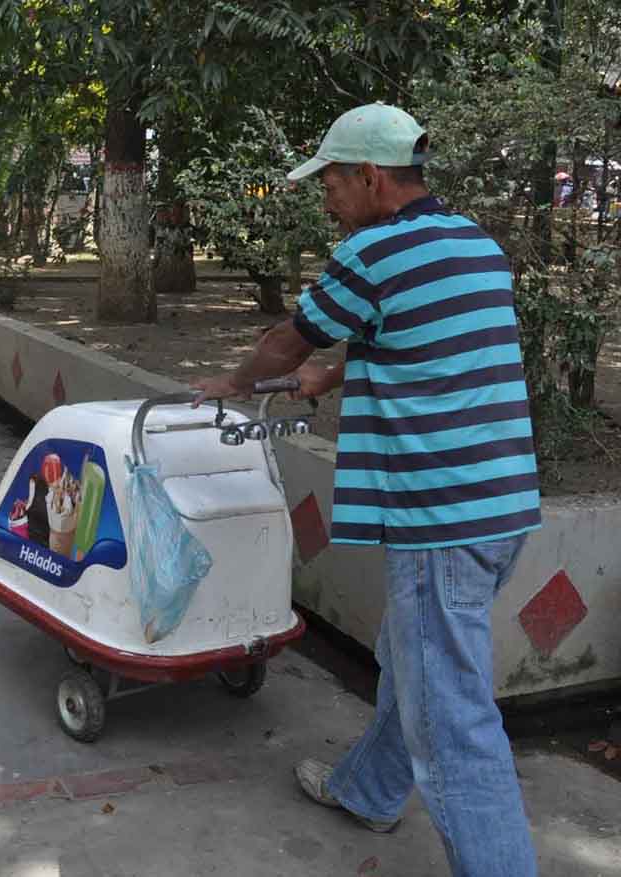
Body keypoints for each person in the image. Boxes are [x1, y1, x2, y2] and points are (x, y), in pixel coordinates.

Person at [190, 104, 541, 877]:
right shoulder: (476, 244)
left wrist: (235, 380)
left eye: (333, 183)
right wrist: (337, 373)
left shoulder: (374, 251)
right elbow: (424, 339)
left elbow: (289, 338)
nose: (327, 199)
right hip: (502, 506)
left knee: (452, 727)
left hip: (438, 516)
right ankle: (370, 791)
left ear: (372, 177)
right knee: (413, 659)